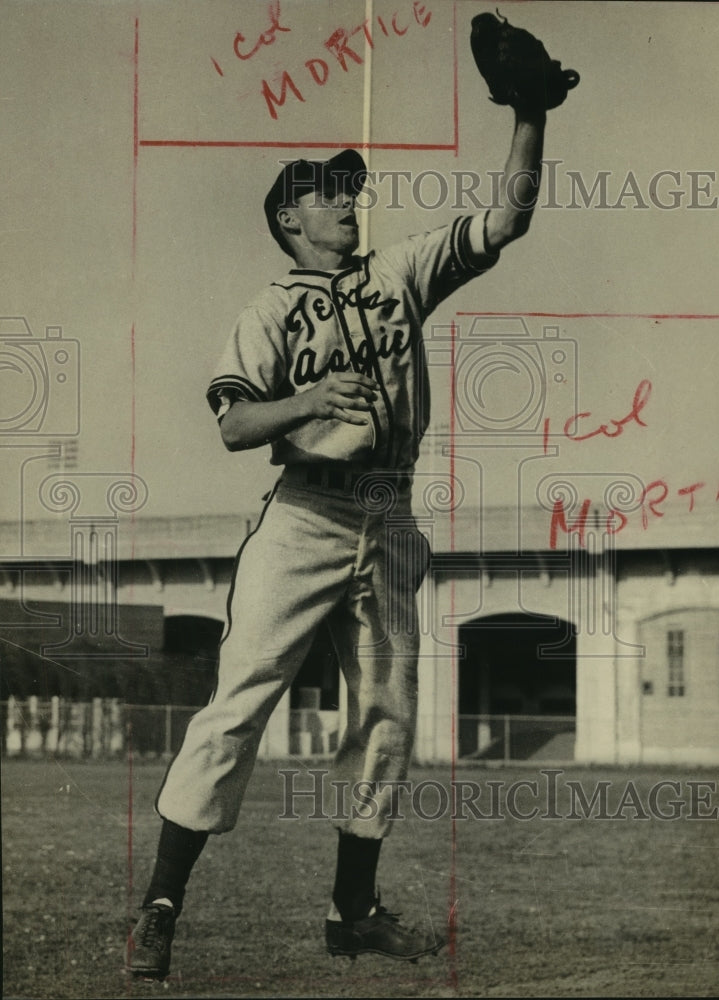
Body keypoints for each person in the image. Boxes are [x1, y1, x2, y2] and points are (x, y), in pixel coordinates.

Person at [124, 102, 547, 980]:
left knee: (388, 716)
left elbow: (506, 218)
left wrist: (529, 117)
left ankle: (351, 913)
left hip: (388, 517)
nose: (349, 202)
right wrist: (311, 402)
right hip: (305, 516)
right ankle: (160, 909)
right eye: (328, 193)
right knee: (239, 705)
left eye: (352, 190)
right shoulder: (270, 307)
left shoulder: (398, 273)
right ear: (291, 217)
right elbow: (236, 423)